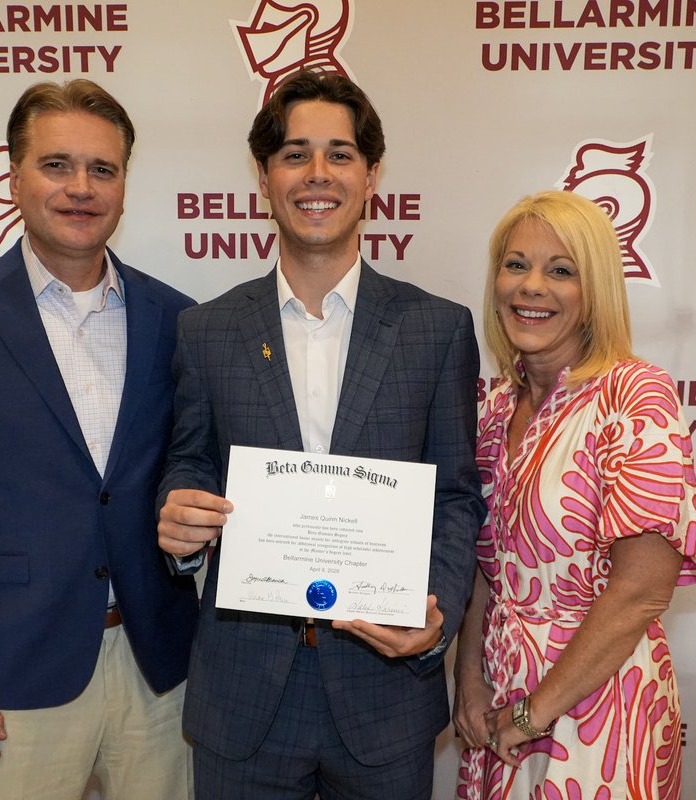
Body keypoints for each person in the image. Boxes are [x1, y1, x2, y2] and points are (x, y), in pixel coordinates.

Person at [156, 70, 486, 799]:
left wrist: (436, 612)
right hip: (243, 696)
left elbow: (457, 497)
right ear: (266, 176)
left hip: (385, 692)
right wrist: (183, 508)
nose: (317, 174)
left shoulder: (437, 330)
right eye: (295, 153)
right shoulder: (206, 330)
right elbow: (190, 460)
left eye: (340, 154)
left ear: (371, 176)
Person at [0, 79, 197, 800]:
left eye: (103, 169)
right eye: (57, 165)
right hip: (9, 673)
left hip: (160, 671)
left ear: (124, 182)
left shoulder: (177, 318)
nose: (81, 188)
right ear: (14, 175)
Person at [452, 190, 696, 799]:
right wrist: (469, 681)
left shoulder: (635, 395)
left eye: (561, 270)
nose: (531, 287)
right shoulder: (491, 406)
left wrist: (533, 713)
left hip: (601, 708)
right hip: (501, 702)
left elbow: (640, 592)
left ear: (595, 289)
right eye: (515, 264)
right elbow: (484, 571)